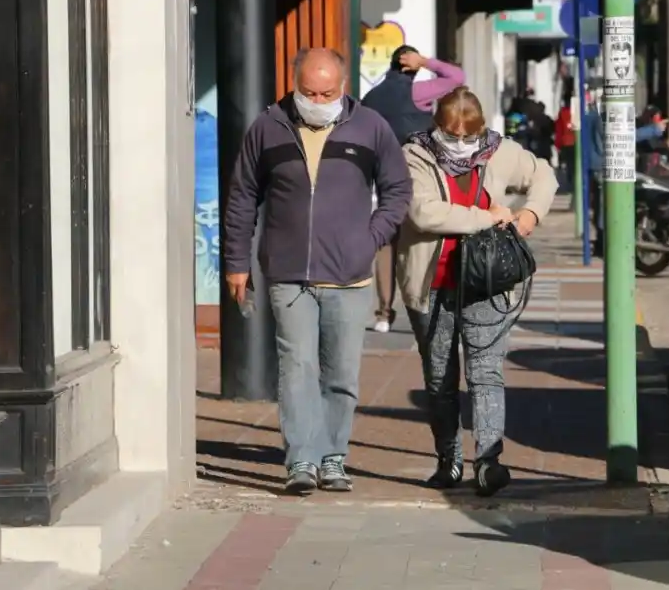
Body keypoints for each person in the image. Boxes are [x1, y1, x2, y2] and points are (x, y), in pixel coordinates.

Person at [223, 48, 413, 495]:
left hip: (350, 275)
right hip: (288, 273)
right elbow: (242, 196)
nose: (317, 100)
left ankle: (333, 457)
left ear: (343, 87)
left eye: (326, 93)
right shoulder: (268, 127)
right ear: (295, 85)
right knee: (297, 367)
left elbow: (398, 189)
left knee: (341, 374)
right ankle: (302, 460)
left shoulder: (370, 127)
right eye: (308, 92)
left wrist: (371, 238)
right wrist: (236, 262)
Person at [396, 87, 559, 496]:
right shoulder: (414, 155)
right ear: (437, 127)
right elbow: (423, 212)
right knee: (440, 377)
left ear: (482, 128)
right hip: (432, 283)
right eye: (451, 135)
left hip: (487, 280)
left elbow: (544, 174)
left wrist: (530, 214)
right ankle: (448, 459)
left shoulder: (498, 151)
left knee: (486, 371)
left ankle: (488, 461)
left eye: (469, 136)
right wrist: (487, 216)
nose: (461, 144)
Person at [361, 45, 465, 334]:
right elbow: (457, 77)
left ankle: (383, 313)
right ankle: (425, 307)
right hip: (417, 177)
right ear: (411, 66)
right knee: (423, 240)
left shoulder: (370, 98)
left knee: (387, 243)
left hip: (385, 176)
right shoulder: (417, 92)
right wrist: (426, 61)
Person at [587, 102, 668, 253]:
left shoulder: (596, 116)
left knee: (601, 204)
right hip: (606, 165)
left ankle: (601, 241)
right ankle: (604, 242)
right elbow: (623, 138)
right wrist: (654, 129)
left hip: (598, 165)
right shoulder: (605, 119)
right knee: (605, 205)